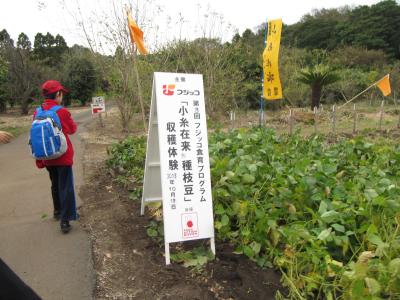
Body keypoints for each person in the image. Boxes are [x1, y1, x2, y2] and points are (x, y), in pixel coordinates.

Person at [34, 80, 78, 233]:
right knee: (65, 186)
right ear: (58, 94)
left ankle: (57, 211)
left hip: (47, 156)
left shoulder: (37, 111)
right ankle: (65, 221)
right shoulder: (62, 111)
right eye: (61, 93)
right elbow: (72, 130)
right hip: (63, 155)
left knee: (54, 184)